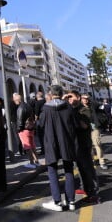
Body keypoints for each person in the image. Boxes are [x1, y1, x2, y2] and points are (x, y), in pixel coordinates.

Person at [38, 84, 77, 212]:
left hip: (51, 142)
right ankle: (71, 201)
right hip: (66, 142)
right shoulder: (68, 107)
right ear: (61, 94)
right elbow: (74, 124)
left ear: (50, 93)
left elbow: (41, 125)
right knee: (68, 170)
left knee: (52, 171)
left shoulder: (46, 108)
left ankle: (57, 201)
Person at [68, 91, 100, 204]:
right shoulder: (72, 109)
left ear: (78, 97)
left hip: (84, 144)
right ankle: (88, 191)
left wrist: (71, 110)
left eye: (71, 97)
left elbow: (84, 125)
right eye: (68, 97)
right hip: (76, 144)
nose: (69, 99)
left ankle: (94, 193)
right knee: (81, 170)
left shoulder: (84, 110)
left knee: (88, 169)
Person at [80, 94, 108, 170]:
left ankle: (102, 162)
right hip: (85, 129)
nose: (85, 100)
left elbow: (98, 104)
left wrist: (90, 97)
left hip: (94, 128)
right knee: (89, 146)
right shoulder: (79, 107)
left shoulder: (92, 105)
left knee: (97, 144)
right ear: (81, 99)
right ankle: (92, 161)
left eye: (86, 98)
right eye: (83, 98)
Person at [15, 93, 39, 168]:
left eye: (15, 100)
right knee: (32, 146)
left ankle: (31, 163)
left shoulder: (20, 108)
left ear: (17, 100)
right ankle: (37, 161)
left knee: (27, 147)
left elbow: (19, 121)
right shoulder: (28, 105)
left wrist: (18, 130)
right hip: (31, 128)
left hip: (24, 130)